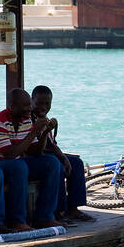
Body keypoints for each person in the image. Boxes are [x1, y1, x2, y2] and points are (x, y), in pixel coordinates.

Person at [0, 89, 62, 231]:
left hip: (13, 162)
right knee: (18, 167)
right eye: (25, 106)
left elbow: (35, 152)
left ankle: (45, 217)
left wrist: (44, 132)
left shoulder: (26, 120)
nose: (29, 109)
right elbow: (9, 154)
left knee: (51, 163)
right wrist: (34, 131)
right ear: (12, 107)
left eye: (29, 105)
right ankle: (17, 220)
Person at [30, 85, 94, 222]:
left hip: (46, 153)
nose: (43, 107)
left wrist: (64, 158)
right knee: (56, 166)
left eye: (47, 104)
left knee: (76, 163)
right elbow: (37, 149)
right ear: (31, 101)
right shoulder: (29, 119)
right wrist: (61, 159)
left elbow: (52, 144)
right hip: (33, 156)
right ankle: (58, 210)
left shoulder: (45, 118)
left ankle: (73, 209)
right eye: (39, 103)